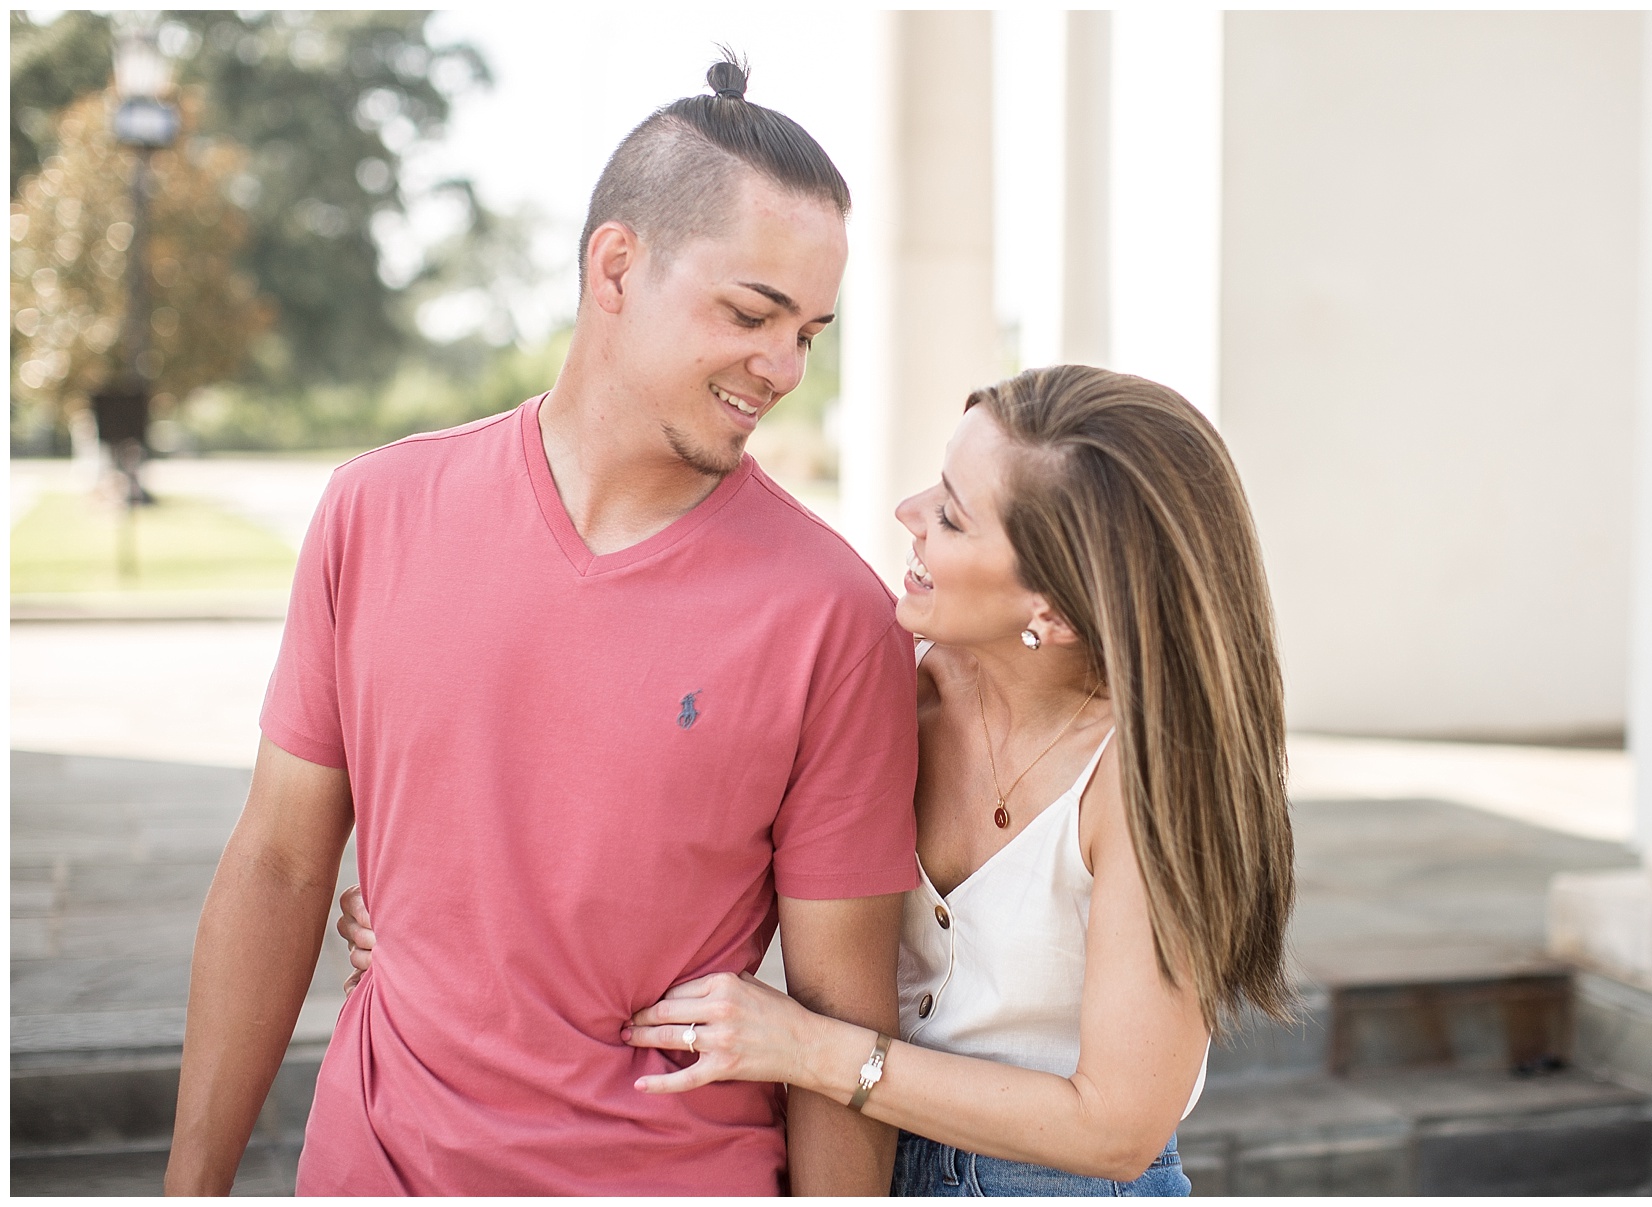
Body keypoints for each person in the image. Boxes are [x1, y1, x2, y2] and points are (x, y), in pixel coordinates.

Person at [164, 57, 921, 1197]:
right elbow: (276, 864)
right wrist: (191, 1186)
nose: (784, 368)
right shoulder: (376, 511)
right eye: (752, 314)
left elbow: (835, 1014)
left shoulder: (834, 616)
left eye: (809, 332)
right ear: (615, 266)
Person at [340, 365, 1297, 1194]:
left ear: (1052, 607)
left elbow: (1117, 1127)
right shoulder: (885, 684)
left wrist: (813, 1051)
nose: (908, 512)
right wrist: (470, 922)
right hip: (847, 1153)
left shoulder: (1149, 779)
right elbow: (671, 834)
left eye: (953, 515)